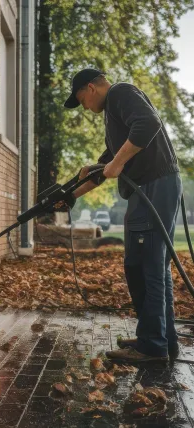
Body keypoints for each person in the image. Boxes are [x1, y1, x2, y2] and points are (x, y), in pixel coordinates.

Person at [64, 68, 182, 363]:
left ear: (91, 87)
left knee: (147, 266)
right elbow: (105, 169)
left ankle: (152, 345)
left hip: (154, 187)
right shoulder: (114, 113)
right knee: (147, 265)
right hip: (151, 189)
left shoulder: (120, 93)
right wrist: (68, 196)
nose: (86, 108)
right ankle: (160, 339)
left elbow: (147, 123)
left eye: (82, 101)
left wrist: (116, 161)